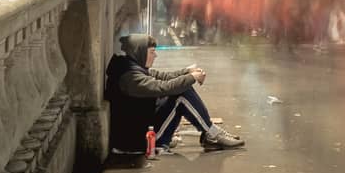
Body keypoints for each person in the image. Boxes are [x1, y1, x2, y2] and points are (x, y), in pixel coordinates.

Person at [104, 33, 243, 156]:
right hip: (135, 142)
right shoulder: (130, 77)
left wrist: (187, 72)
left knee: (182, 89)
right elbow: (162, 87)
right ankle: (211, 134)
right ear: (140, 52)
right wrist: (192, 78)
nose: (155, 55)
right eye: (152, 52)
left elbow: (162, 76)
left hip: (141, 132)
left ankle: (210, 132)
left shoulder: (131, 67)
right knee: (181, 94)